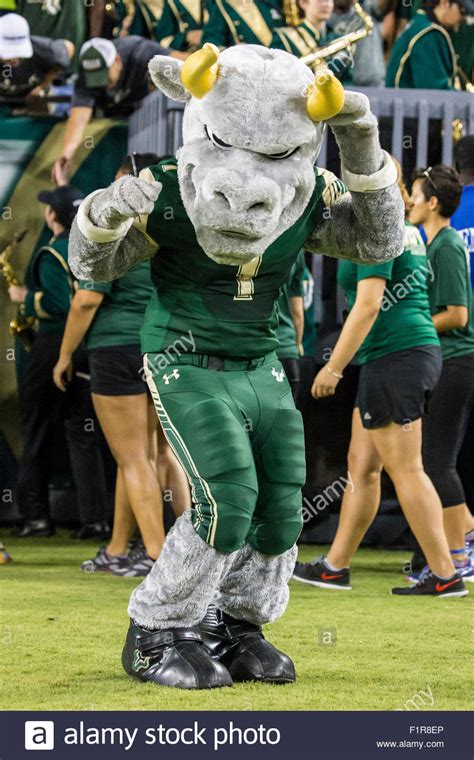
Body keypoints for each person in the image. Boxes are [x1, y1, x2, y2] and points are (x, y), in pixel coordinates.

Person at [68, 45, 405, 689]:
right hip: (183, 357)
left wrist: (358, 137)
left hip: (261, 357)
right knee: (226, 497)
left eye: (276, 155)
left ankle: (235, 624)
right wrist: (103, 214)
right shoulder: (170, 188)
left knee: (282, 505)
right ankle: (156, 630)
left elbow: (378, 239)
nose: (245, 179)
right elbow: (94, 266)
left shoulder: (303, 194)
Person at [293, 161, 468, 597]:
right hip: (394, 357)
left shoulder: (383, 226)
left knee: (408, 469)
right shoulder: (398, 226)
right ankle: (336, 565)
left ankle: (445, 574)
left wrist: (333, 368)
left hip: (398, 357)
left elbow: (368, 306)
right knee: (362, 467)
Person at [53, 153, 191, 576]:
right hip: (163, 347)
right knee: (157, 455)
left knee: (133, 459)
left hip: (116, 349)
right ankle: (123, 549)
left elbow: (87, 299)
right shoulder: (174, 228)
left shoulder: (113, 226)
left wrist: (62, 356)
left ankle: (156, 557)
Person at [9, 186, 110, 539]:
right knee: (83, 433)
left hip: (54, 344)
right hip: (91, 345)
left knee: (36, 427)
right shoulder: (94, 246)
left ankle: (36, 516)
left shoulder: (53, 252)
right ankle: (95, 519)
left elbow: (59, 304)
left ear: (54, 216)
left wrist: (25, 299)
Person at [408, 165, 474, 582]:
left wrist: (413, 323)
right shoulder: (435, 243)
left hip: (457, 362)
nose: (410, 202)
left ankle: (461, 547)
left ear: (433, 202)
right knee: (434, 461)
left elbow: (457, 314)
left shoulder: (446, 245)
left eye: (415, 194)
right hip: (446, 362)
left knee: (438, 462)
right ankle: (459, 545)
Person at [51, 37, 186, 186]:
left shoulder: (139, 51)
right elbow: (79, 117)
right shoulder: (85, 77)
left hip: (153, 114)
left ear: (116, 60)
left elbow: (181, 61)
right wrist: (67, 154)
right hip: (124, 117)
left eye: (105, 77)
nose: (104, 85)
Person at [385, 0, 471, 88]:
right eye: (462, 10)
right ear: (444, 3)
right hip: (404, 100)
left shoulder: (419, 24)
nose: (464, 18)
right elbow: (435, 91)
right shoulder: (429, 35)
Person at [271, 0, 354, 80]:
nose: (327, 4)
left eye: (330, 0)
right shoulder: (283, 38)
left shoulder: (338, 38)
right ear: (303, 2)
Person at [0, 13, 74, 99]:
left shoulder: (44, 51)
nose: (13, 59)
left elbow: (68, 47)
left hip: (30, 99)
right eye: (8, 53)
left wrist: (43, 86)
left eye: (18, 53)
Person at [276, 250, 305, 401]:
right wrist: (297, 344)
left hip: (253, 352)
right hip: (287, 350)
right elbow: (297, 312)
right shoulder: (296, 248)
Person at [202, 0, 284, 47]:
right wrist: (235, 52)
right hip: (249, 69)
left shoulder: (274, 2)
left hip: (283, 65)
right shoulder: (224, 5)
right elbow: (211, 42)